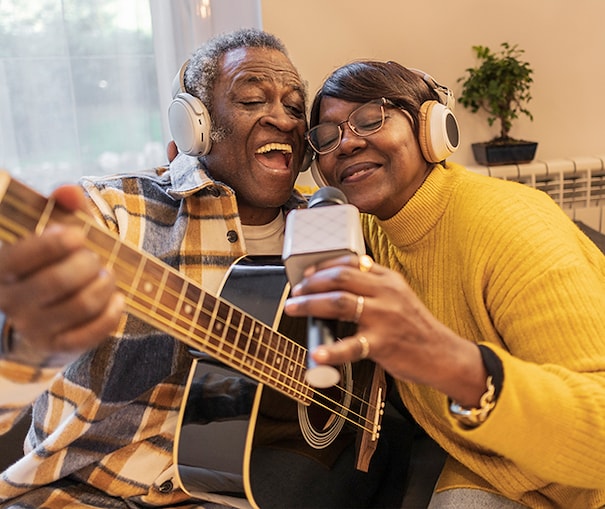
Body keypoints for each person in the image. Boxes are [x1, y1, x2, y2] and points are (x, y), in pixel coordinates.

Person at [0, 30, 407, 509]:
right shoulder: (115, 212)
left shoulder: (327, 227)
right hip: (80, 496)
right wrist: (24, 336)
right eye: (253, 99)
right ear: (194, 123)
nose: (282, 118)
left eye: (296, 108)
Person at [283, 59, 605, 509]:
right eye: (327, 136)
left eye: (371, 118)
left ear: (431, 127)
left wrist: (459, 367)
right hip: (488, 465)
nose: (348, 143)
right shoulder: (371, 229)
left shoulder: (513, 226)